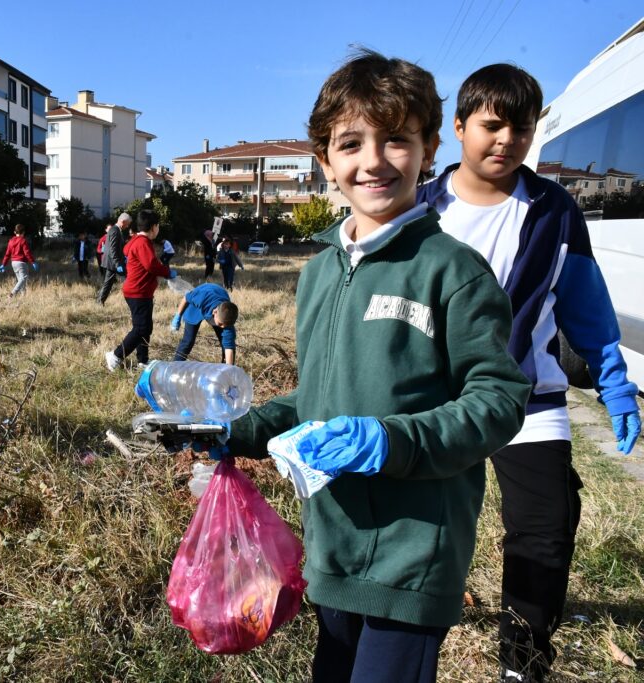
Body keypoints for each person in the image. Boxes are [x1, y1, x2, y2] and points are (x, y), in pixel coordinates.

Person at [217, 50, 530, 683]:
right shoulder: (319, 273)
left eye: (396, 140)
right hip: (333, 539)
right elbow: (319, 397)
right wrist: (232, 429)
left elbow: (498, 399)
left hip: (413, 552)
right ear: (325, 160)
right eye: (351, 143)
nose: (374, 161)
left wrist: (391, 439)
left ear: (429, 147)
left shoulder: (453, 270)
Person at [416, 64, 641, 683]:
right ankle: (411, 636)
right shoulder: (420, 209)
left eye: (521, 127)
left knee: (546, 533)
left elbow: (586, 306)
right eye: (491, 125)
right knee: (424, 529)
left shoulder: (554, 211)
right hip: (438, 405)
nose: (506, 140)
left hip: (528, 403)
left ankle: (523, 661)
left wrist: (615, 381)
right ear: (459, 127)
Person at [105, 209, 175, 371]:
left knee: (146, 326)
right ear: (153, 227)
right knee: (141, 328)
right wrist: (167, 271)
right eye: (158, 226)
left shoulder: (137, 240)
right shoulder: (143, 242)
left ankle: (143, 360)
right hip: (138, 292)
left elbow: (127, 251)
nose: (158, 230)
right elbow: (151, 264)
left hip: (141, 291)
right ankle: (115, 356)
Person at [170, 283, 238, 364]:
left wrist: (229, 371)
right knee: (188, 340)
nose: (222, 327)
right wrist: (178, 316)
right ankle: (175, 366)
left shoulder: (227, 317)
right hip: (195, 307)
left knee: (226, 341)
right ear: (214, 312)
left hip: (217, 301)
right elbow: (186, 298)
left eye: (225, 325)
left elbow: (229, 347)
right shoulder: (201, 297)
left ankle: (224, 370)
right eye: (220, 324)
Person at [97, 213, 132, 305]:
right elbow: (112, 249)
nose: (127, 226)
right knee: (109, 283)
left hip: (115, 262)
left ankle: (100, 301)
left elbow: (118, 248)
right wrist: (118, 264)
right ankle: (100, 301)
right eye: (127, 224)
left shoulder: (117, 230)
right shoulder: (114, 231)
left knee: (109, 283)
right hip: (113, 263)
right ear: (123, 221)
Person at [0, 223, 37, 298]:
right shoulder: (23, 241)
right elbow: (27, 253)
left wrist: (3, 264)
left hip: (14, 263)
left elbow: (7, 254)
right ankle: (12, 293)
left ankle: (23, 298)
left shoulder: (11, 241)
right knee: (23, 278)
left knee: (21, 281)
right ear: (23, 232)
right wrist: (33, 262)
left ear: (14, 232)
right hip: (22, 263)